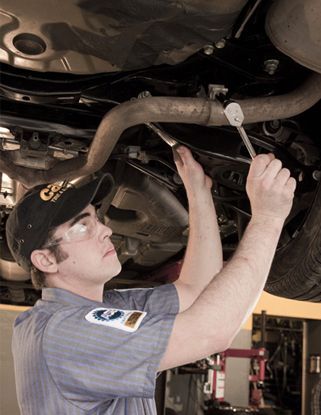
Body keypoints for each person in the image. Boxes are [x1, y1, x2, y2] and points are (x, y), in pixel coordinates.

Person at [6, 146, 296, 414]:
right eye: (82, 227)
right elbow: (211, 333)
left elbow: (195, 290)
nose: (105, 231)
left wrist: (198, 192)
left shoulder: (100, 308)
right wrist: (268, 217)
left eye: (97, 219)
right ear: (46, 260)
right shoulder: (65, 335)